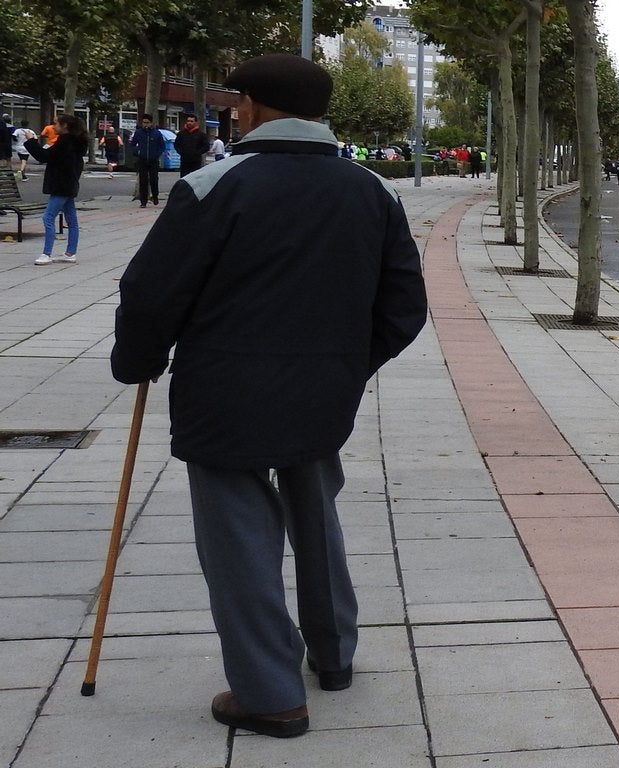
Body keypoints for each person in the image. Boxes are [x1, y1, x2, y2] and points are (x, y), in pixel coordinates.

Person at [109, 53, 427, 740]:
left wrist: (136, 360)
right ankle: (335, 655)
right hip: (323, 389)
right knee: (317, 512)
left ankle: (269, 693)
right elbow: (403, 307)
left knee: (239, 538)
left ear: (249, 106)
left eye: (235, 100)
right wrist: (346, 365)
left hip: (223, 389)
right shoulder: (372, 191)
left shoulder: (213, 185)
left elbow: (150, 291)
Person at [23, 114, 87, 266]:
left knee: (48, 217)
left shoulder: (65, 142)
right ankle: (70, 252)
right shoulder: (76, 142)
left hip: (61, 185)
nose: (53, 127)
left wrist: (31, 141)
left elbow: (44, 156)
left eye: (56, 124)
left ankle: (46, 253)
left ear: (65, 126)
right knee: (71, 220)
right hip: (69, 184)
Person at [129, 114, 165, 207]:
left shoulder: (157, 133)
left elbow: (162, 146)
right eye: (144, 122)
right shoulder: (138, 132)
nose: (145, 125)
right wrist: (138, 152)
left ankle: (155, 195)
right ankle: (143, 201)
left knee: (154, 180)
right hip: (142, 160)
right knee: (143, 181)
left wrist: (157, 154)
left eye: (147, 123)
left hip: (153, 160)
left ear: (151, 123)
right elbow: (133, 144)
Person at [174, 113, 211, 177]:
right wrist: (181, 152)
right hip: (184, 161)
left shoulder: (201, 134)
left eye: (191, 121)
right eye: (188, 121)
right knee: (184, 179)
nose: (189, 123)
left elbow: (206, 146)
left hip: (196, 161)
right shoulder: (181, 133)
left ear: (195, 122)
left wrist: (197, 153)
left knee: (195, 178)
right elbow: (176, 145)